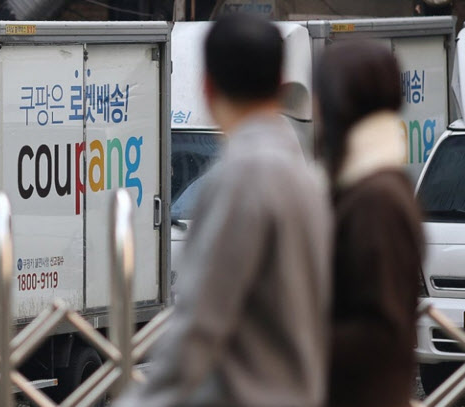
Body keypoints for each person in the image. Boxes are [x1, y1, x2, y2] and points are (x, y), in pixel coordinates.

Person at [114, 13, 331, 407]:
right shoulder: (308, 179)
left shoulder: (239, 178)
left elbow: (200, 324)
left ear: (208, 86)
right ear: (280, 85)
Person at [315, 41, 425, 407]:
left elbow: (381, 331)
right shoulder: (373, 183)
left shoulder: (376, 198)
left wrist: (295, 333)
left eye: (320, 96)